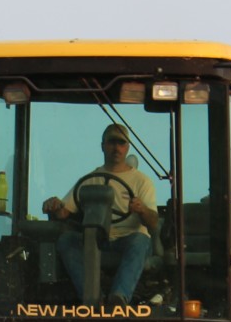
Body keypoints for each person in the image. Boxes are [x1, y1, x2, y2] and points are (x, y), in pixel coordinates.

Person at [41, 123, 160, 302]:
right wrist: (55, 205)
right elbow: (65, 212)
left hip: (128, 238)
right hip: (98, 239)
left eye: (121, 143)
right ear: (103, 146)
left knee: (140, 241)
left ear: (127, 147)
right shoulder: (91, 179)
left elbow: (153, 222)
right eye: (112, 142)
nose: (116, 148)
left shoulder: (142, 182)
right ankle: (93, 298)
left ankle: (119, 298)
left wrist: (142, 209)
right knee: (66, 240)